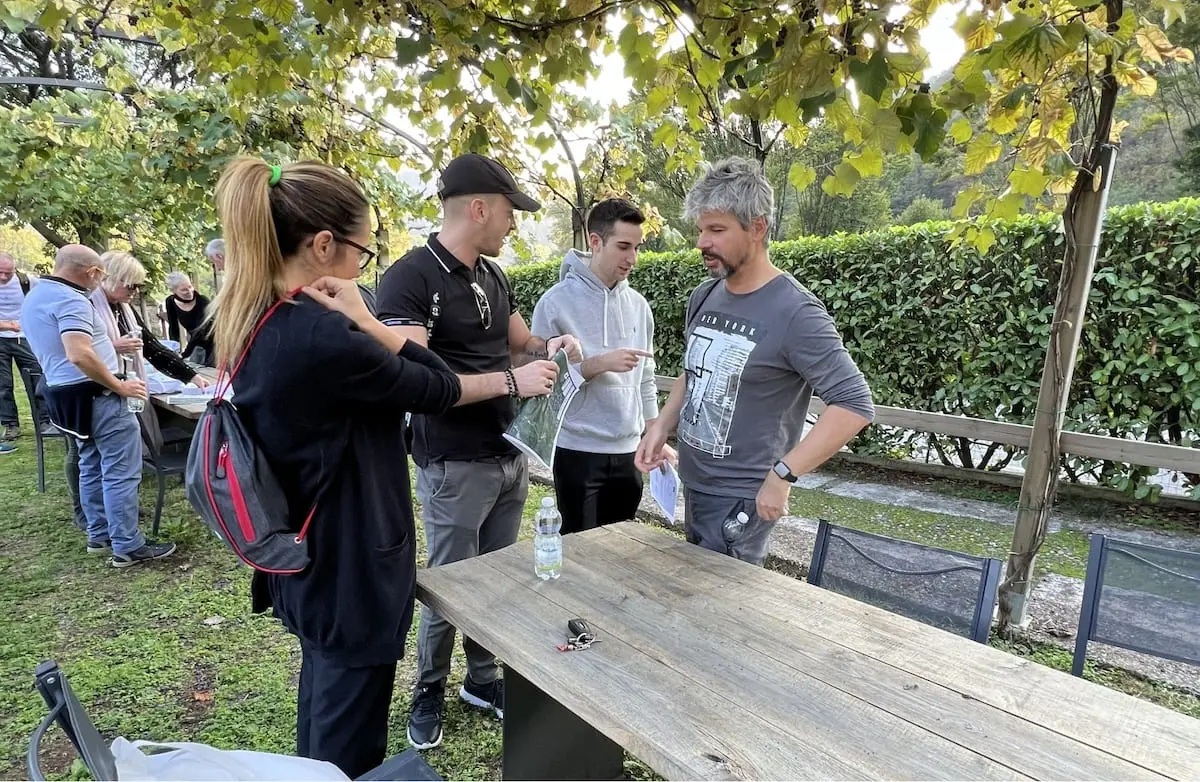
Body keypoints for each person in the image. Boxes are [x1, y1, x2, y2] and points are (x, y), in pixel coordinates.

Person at [212, 157, 556, 777]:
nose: (360, 269)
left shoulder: (265, 319)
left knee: (324, 711)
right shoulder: (326, 339)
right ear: (323, 247)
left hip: (307, 559)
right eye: (361, 253)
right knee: (346, 745)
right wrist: (368, 320)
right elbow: (438, 385)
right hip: (349, 569)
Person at [376, 152, 579, 751]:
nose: (515, 224)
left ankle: (482, 679)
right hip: (453, 462)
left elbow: (521, 344)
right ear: (481, 208)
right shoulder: (410, 277)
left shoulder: (493, 276)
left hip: (508, 456)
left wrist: (552, 345)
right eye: (512, 212)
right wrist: (513, 381)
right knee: (451, 586)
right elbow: (417, 379)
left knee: (497, 581)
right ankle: (430, 688)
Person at [636, 158, 876, 565]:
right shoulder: (704, 296)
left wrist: (784, 474)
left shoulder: (796, 312)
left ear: (758, 228)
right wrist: (661, 425)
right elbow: (692, 374)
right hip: (695, 484)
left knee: (723, 603)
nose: (702, 243)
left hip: (742, 501)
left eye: (716, 230)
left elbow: (854, 405)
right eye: (700, 230)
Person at [21, 244, 177, 567]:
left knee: (91, 463)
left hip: (67, 395)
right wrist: (119, 385)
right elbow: (79, 353)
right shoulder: (72, 300)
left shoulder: (36, 296)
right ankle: (128, 545)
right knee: (121, 471)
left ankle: (100, 533)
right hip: (98, 394)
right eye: (100, 275)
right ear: (93, 272)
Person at [531, 198, 670, 533]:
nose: (632, 258)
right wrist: (599, 364)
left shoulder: (639, 306)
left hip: (628, 453)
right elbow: (543, 386)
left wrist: (654, 435)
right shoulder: (554, 303)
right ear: (595, 241)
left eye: (636, 248)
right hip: (577, 451)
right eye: (623, 246)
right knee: (579, 554)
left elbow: (646, 379)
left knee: (621, 550)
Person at [0, 252, 54, 442]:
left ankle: (44, 421)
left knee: (36, 378)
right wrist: (6, 325)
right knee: (3, 384)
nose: (3, 277)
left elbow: (45, 303)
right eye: (0, 272)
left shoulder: (28, 282)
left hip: (25, 337)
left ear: (14, 269)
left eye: (8, 273)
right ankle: (10, 425)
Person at [164, 271, 215, 365]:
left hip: (215, 342)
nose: (189, 291)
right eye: (184, 290)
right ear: (173, 291)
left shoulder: (202, 301)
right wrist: (174, 350)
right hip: (198, 344)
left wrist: (185, 354)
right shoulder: (170, 302)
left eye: (190, 287)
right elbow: (173, 328)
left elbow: (199, 331)